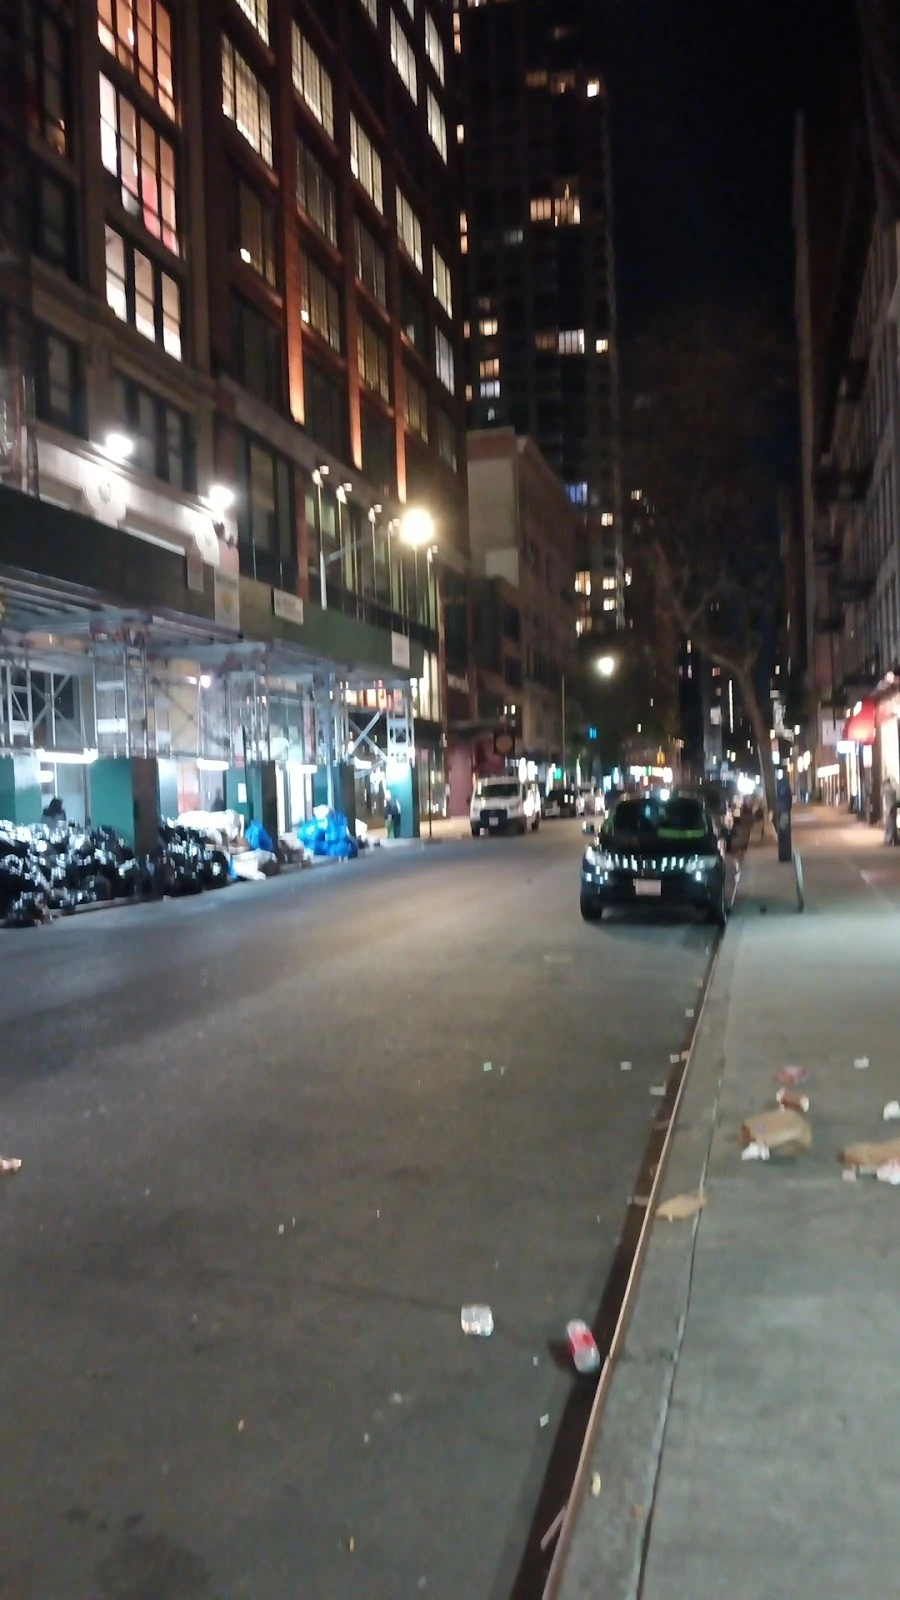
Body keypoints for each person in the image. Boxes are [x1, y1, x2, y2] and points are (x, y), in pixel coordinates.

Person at [882, 777, 897, 845]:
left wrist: (883, 784)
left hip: (889, 808)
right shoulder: (893, 788)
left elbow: (882, 792)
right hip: (893, 807)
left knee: (890, 824)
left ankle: (889, 839)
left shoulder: (886, 789)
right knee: (893, 823)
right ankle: (893, 838)